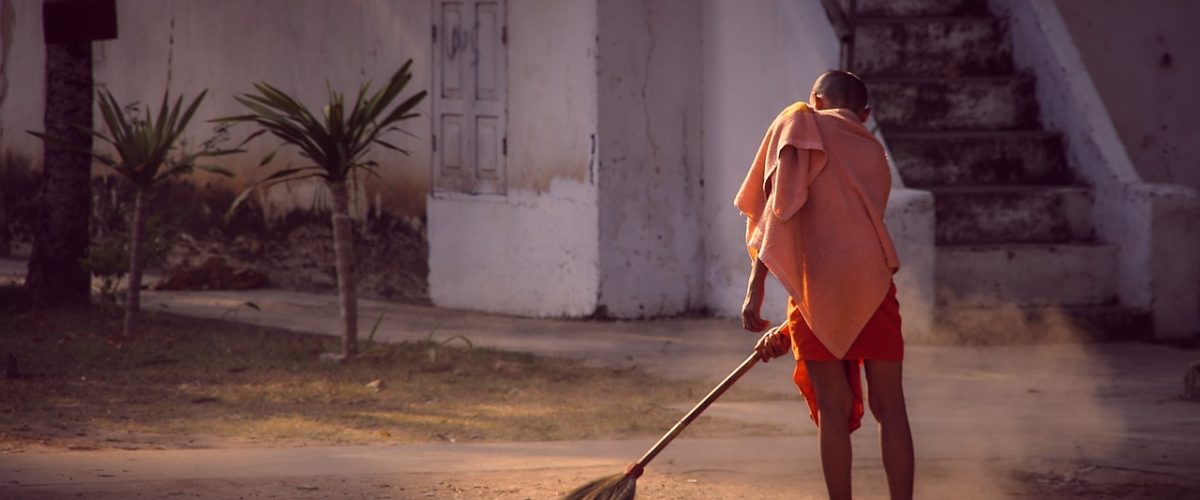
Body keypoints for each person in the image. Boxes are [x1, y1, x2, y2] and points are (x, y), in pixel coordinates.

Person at [734, 70, 914, 500]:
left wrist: (756, 284)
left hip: (815, 290)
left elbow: (781, 209)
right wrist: (786, 328)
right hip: (872, 286)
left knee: (832, 413)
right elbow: (850, 231)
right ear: (865, 115)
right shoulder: (872, 152)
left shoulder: (799, 124)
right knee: (890, 408)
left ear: (815, 99)